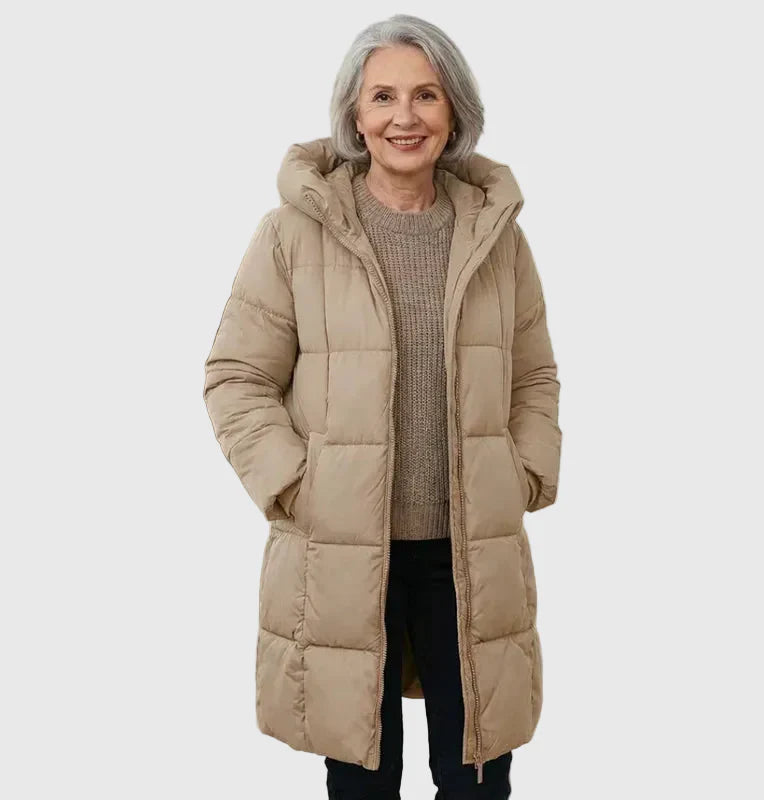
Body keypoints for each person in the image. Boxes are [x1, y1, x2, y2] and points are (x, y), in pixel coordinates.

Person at [203, 13, 562, 800]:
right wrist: (296, 484)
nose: (406, 116)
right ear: (356, 116)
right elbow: (236, 376)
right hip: (343, 550)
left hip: (468, 552)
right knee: (363, 779)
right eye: (384, 96)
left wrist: (525, 473)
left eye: (426, 95)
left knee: (477, 775)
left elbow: (535, 375)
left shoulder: (496, 238)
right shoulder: (293, 236)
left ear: (455, 113)